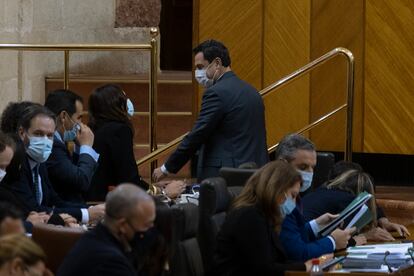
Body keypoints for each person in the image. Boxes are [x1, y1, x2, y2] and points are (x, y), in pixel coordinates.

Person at [153, 39, 268, 182]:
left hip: (226, 176)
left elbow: (198, 134)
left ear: (217, 63)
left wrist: (166, 168)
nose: (197, 73)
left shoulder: (216, 93)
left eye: (200, 67)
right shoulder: (252, 91)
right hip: (255, 172)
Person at [214, 161, 326, 275]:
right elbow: (264, 269)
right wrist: (304, 267)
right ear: (277, 189)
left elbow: (275, 261)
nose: (293, 203)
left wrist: (308, 264)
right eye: (292, 195)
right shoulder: (249, 216)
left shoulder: (263, 214)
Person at [3, 104, 104, 223]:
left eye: (50, 135)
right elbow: (34, 210)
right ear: (22, 133)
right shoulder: (15, 163)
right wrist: (86, 214)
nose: (45, 141)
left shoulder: (39, 162)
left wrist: (93, 210)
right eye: (38, 134)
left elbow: (54, 201)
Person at [275, 134, 354, 261]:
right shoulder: (280, 199)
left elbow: (290, 235)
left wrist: (316, 225)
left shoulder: (293, 196)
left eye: (313, 168)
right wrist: (332, 241)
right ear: (282, 164)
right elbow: (298, 253)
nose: (309, 173)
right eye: (303, 167)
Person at [57, 184, 156, 276]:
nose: (151, 229)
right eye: (147, 225)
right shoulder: (111, 263)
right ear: (122, 225)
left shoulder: (94, 237)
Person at [303, 161, 410, 240]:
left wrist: (384, 221)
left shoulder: (324, 190)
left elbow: (371, 203)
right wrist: (367, 236)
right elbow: (343, 238)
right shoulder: (345, 199)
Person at [87, 84, 148, 201]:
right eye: (124, 98)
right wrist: (158, 191)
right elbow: (128, 178)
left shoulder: (94, 128)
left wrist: (146, 185)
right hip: (109, 201)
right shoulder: (119, 130)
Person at [45, 89, 99, 203]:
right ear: (64, 116)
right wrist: (86, 147)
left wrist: (80, 147)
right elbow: (81, 181)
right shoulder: (52, 146)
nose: (81, 124)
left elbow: (74, 173)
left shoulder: (61, 141)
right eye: (79, 117)